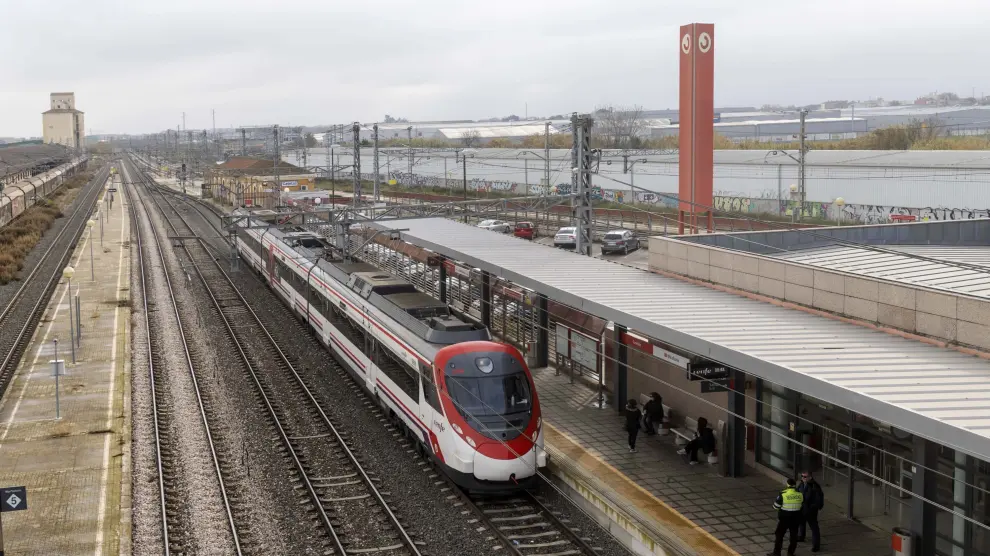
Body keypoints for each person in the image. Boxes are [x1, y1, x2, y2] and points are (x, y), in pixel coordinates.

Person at [768, 478, 804, 556]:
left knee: (779, 535)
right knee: (793, 536)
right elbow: (802, 505)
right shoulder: (800, 494)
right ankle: (790, 553)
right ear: (795, 485)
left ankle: (777, 553)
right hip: (795, 518)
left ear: (787, 484)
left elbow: (775, 506)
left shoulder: (783, 494)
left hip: (784, 518)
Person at [797, 470, 824, 552]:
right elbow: (798, 492)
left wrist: (812, 508)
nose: (803, 478)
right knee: (802, 523)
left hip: (810, 510)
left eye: (805, 477)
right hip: (802, 508)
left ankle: (816, 546)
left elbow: (818, 499)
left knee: (814, 527)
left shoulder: (815, 486)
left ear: (810, 477)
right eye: (802, 476)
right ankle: (801, 536)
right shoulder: (802, 484)